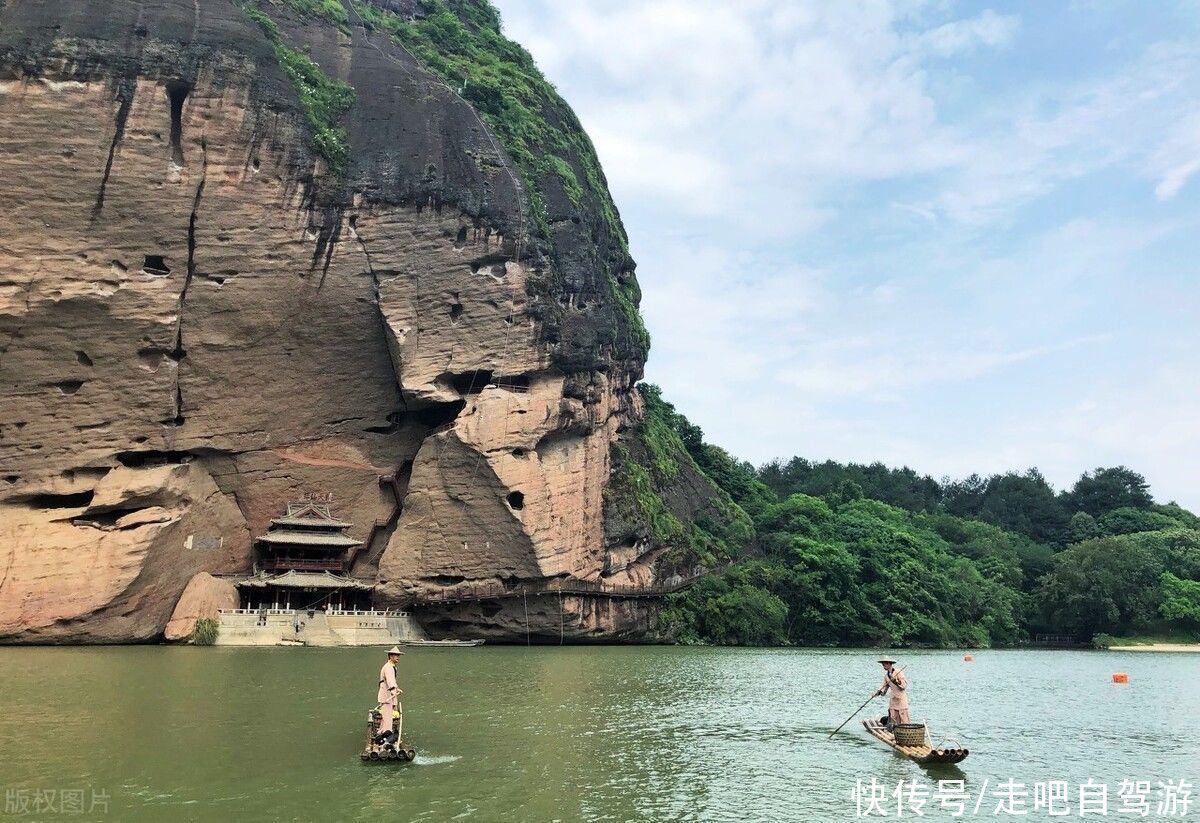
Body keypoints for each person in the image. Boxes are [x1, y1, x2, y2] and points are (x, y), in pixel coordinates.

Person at [374, 645, 404, 744]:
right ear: (391, 656)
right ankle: (386, 737)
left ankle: (381, 732)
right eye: (396, 656)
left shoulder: (391, 667)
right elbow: (390, 682)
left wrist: (396, 688)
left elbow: (392, 682)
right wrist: (393, 691)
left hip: (387, 694)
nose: (398, 657)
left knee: (386, 715)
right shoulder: (389, 668)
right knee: (387, 717)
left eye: (398, 655)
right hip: (386, 695)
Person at [877, 658, 909, 727]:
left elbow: (904, 685)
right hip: (893, 699)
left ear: (889, 663)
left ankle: (905, 732)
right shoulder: (886, 676)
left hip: (901, 699)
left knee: (904, 718)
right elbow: (883, 688)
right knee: (893, 718)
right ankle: (895, 732)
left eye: (884, 664)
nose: (883, 666)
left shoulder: (898, 672)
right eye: (882, 664)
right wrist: (879, 692)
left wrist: (895, 681)